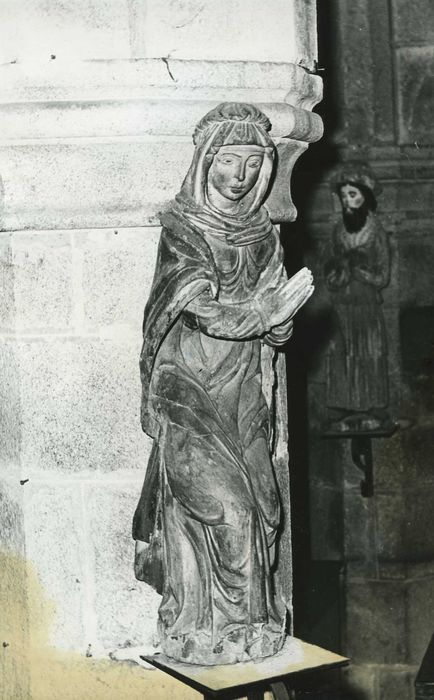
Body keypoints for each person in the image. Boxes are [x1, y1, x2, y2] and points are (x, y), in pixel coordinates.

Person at [132, 102, 314, 665]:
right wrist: (263, 313)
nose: (241, 176)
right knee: (228, 510)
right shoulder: (183, 230)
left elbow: (275, 339)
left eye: (255, 163)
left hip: (241, 396)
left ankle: (249, 626)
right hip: (187, 393)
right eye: (229, 160)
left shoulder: (262, 236)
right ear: (206, 160)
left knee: (265, 511)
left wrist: (280, 320)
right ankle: (209, 627)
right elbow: (199, 309)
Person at [324, 164, 391, 432]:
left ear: (365, 196)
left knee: (368, 352)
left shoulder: (376, 232)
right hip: (342, 305)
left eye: (352, 195)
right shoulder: (338, 231)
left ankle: (371, 407)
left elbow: (383, 276)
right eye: (343, 196)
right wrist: (336, 272)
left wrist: (359, 271)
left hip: (366, 305)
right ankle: (346, 408)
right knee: (343, 353)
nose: (347, 201)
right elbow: (327, 266)